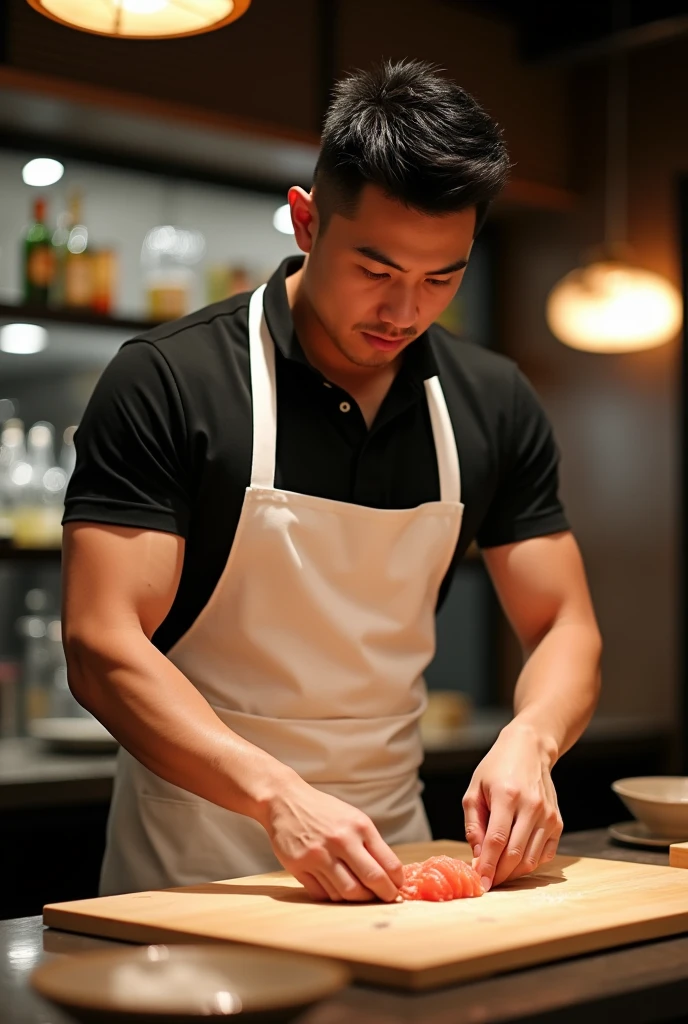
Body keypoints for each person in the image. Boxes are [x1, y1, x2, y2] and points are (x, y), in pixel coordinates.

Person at [62, 59, 602, 903]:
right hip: (194, 872)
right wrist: (278, 796)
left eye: (441, 279)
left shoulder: (490, 401)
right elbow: (100, 645)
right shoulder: (171, 380)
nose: (403, 312)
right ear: (308, 223)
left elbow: (563, 621)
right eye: (377, 271)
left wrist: (532, 738)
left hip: (396, 853)